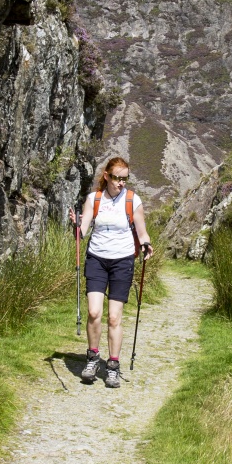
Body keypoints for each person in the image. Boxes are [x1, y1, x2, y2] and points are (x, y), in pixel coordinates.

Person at [77, 155, 152, 388]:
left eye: (125, 179)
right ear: (106, 176)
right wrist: (76, 227)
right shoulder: (94, 199)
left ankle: (113, 365)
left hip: (122, 261)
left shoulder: (132, 200)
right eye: (117, 178)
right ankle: (92, 358)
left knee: (114, 317)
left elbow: (141, 231)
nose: (121, 183)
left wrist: (146, 244)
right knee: (93, 312)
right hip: (97, 259)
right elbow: (83, 231)